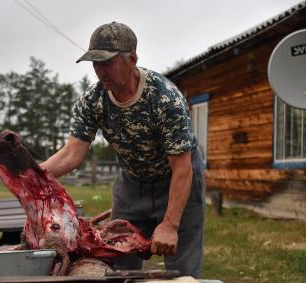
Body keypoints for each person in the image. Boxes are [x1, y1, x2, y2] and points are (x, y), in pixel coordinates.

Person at [40, 21, 205, 278]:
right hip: (132, 182)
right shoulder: (93, 100)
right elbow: (72, 153)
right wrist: (33, 175)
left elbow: (182, 167)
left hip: (177, 179)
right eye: (95, 63)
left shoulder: (165, 98)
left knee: (182, 268)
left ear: (132, 58)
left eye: (107, 62)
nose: (100, 71)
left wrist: (170, 224)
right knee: (118, 263)